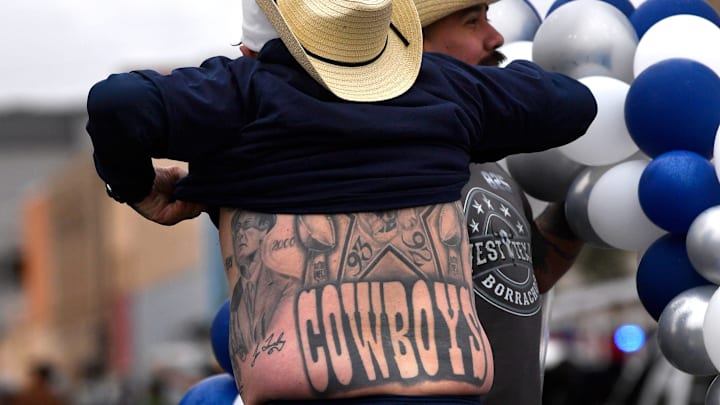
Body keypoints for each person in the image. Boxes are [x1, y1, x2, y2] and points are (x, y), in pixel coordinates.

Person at [84, 0, 597, 403]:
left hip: (304, 387)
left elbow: (116, 104)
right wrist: (454, 107)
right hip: (442, 388)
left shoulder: (238, 95)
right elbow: (573, 104)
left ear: (249, 51)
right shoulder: (444, 92)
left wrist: (136, 188)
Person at [414, 1, 588, 403]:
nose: (496, 38)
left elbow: (529, 276)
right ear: (411, 45)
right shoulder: (395, 158)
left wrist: (582, 196)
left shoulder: (485, 156)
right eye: (473, 22)